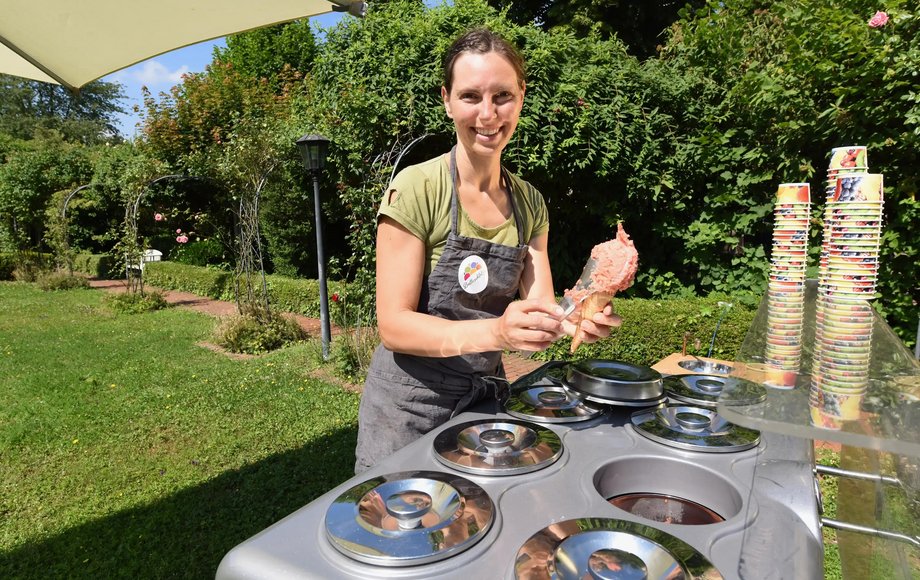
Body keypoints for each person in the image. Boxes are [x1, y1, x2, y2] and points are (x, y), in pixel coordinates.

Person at [354, 27, 620, 473]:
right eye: (471, 96)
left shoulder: (529, 203)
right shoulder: (417, 189)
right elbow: (394, 326)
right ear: (447, 100)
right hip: (408, 408)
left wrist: (575, 318)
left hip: (484, 406)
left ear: (521, 97)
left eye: (502, 96)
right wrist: (498, 333)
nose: (488, 114)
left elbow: (539, 310)